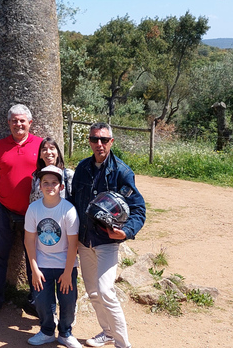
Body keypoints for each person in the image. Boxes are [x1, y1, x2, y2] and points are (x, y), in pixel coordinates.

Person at [68, 122, 146, 348]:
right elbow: (74, 203)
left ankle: (123, 344)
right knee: (93, 292)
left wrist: (126, 232)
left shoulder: (122, 172)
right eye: (94, 139)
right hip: (84, 241)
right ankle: (108, 332)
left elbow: (138, 208)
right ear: (89, 141)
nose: (99, 144)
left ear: (112, 141)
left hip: (106, 242)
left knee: (106, 291)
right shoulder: (82, 169)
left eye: (103, 139)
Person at [0, 104, 43, 320]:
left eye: (22, 120)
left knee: (33, 257)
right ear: (8, 123)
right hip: (4, 210)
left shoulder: (41, 145)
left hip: (33, 214)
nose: (18, 124)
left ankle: (37, 300)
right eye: (14, 121)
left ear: (30, 123)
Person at [24, 165, 81, 348]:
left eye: (54, 183)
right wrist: (34, 269)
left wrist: (67, 272)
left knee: (68, 301)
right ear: (39, 186)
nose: (50, 186)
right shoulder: (33, 209)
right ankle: (47, 330)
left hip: (66, 263)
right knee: (41, 301)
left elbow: (73, 244)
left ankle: (65, 332)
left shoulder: (68, 210)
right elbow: (29, 240)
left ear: (61, 187)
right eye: (45, 183)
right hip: (42, 263)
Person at [30, 136, 75, 203]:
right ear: (40, 155)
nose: (48, 152)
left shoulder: (68, 175)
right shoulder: (36, 176)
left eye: (52, 148)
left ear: (58, 153)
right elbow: (32, 200)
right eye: (44, 149)